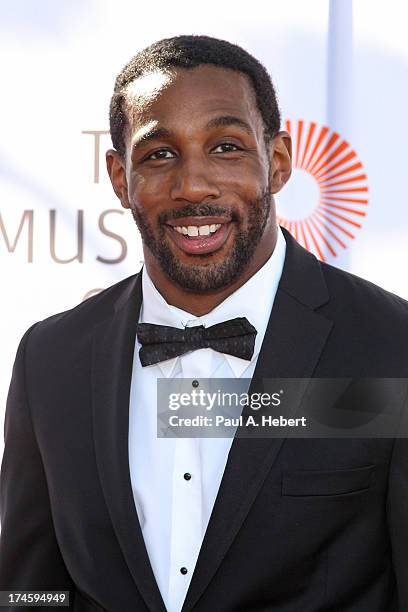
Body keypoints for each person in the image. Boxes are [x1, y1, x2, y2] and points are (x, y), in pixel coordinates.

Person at [0, 34, 407, 612]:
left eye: (226, 147)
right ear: (119, 177)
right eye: (160, 154)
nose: (193, 186)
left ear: (279, 162)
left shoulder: (390, 346)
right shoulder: (50, 358)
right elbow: (28, 591)